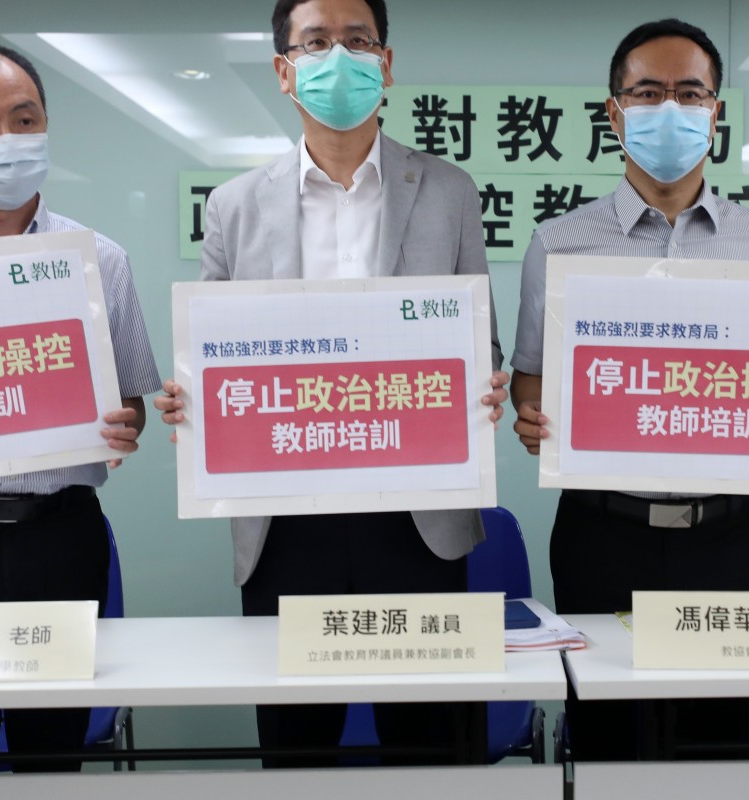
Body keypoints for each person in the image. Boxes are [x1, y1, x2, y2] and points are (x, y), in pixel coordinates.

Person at [154, 0, 508, 767]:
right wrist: (190, 398)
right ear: (284, 71)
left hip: (417, 515)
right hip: (286, 523)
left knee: (433, 748)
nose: (338, 58)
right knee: (297, 748)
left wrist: (489, 381)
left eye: (358, 40)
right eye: (316, 43)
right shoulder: (233, 205)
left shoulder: (448, 190)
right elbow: (210, 354)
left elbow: (480, 341)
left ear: (386, 63)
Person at [510, 18, 749, 761]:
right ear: (614, 112)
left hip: (728, 535)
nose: (669, 109)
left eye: (689, 93)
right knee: (608, 738)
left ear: (715, 111)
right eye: (647, 92)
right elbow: (533, 376)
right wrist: (529, 413)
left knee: (719, 742)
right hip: (601, 530)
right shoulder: (559, 242)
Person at [0, 45, 159, 773]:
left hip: (59, 536)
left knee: (52, 752)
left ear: (47, 125)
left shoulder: (99, 259)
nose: (7, 141)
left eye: (24, 120)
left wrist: (125, 424)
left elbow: (132, 405)